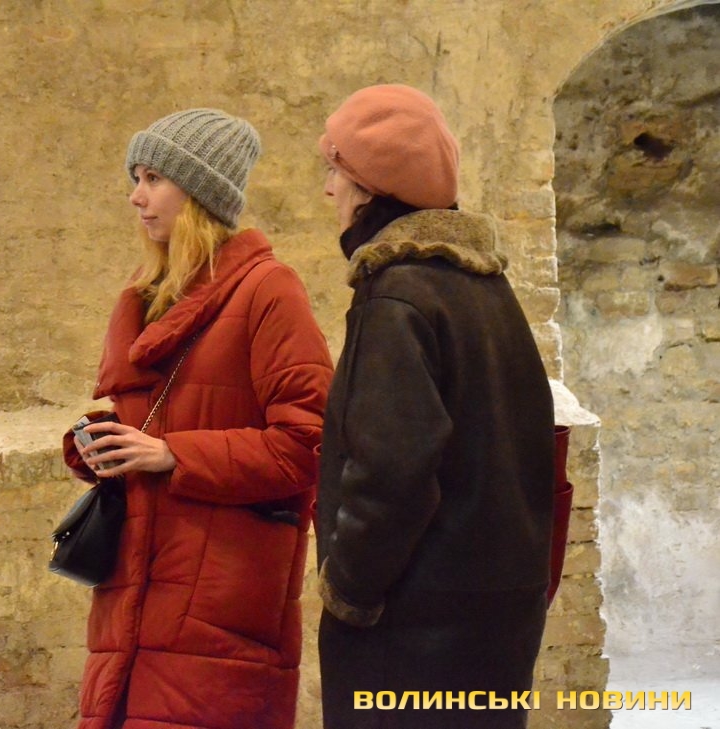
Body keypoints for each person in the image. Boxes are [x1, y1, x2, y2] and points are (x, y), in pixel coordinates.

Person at [61, 108, 333, 729]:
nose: (136, 196)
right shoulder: (148, 296)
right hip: (133, 591)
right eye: (136, 178)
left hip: (219, 602)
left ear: (201, 192)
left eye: (154, 178)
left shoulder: (269, 291)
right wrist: (101, 443)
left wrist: (172, 453)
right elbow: (157, 417)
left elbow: (310, 444)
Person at [314, 84, 554, 729]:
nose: (329, 191)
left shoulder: (396, 296)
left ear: (370, 188)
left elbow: (392, 469)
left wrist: (348, 590)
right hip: (494, 622)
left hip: (414, 630)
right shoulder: (485, 288)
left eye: (336, 172)